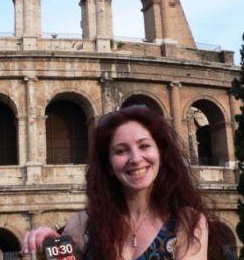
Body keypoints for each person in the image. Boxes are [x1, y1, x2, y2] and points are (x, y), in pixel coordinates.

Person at [23, 105, 222, 259]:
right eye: (121, 150)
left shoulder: (187, 223)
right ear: (108, 164)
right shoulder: (82, 224)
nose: (135, 158)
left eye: (144, 146)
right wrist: (49, 250)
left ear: (160, 153)